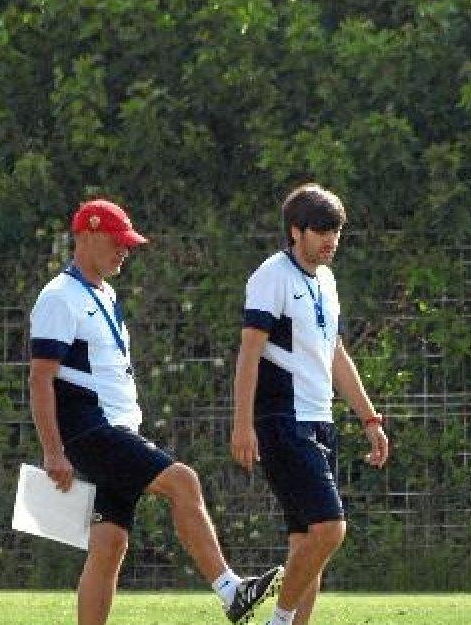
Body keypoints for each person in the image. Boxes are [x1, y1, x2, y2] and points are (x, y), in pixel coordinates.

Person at [29, 198, 283, 625]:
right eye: (117, 242)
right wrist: (53, 452)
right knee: (183, 481)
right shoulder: (59, 297)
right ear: (87, 236)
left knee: (109, 544)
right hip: (90, 427)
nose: (124, 251)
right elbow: (40, 380)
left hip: (114, 425)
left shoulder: (105, 294)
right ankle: (230, 591)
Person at [230, 184, 390, 625]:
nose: (330, 240)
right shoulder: (271, 276)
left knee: (307, 543)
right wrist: (243, 424)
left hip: (320, 421)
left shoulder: (326, 280)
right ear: (295, 231)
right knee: (329, 530)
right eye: (321, 230)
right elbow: (248, 354)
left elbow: (335, 353)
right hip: (282, 420)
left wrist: (370, 418)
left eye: (335, 231)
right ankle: (276, 622)